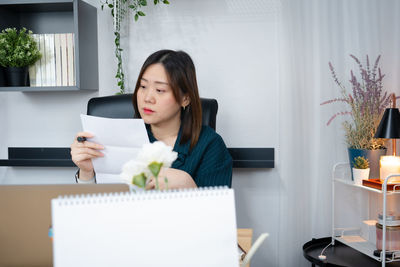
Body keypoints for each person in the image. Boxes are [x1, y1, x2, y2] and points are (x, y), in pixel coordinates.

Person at [71, 50, 232, 189]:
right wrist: (87, 172)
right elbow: (93, 210)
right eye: (142, 86)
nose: (147, 98)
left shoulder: (210, 145)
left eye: (160, 90)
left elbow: (217, 219)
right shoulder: (117, 139)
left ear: (185, 99)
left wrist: (187, 183)